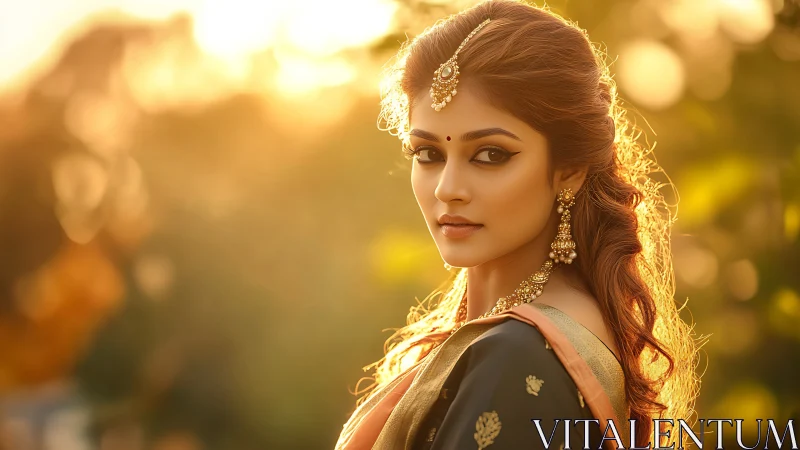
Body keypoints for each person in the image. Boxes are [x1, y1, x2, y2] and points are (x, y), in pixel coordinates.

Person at [336, 1, 700, 449]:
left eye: (490, 154)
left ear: (570, 168)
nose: (448, 189)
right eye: (428, 154)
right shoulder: (528, 334)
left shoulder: (517, 355)